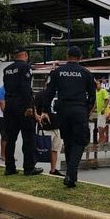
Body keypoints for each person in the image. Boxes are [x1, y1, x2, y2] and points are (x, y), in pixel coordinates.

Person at [41, 46, 96, 188]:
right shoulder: (86, 73)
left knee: (69, 141)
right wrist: (86, 111)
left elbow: (49, 93)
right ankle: (70, 174)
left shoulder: (57, 72)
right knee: (80, 141)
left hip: (63, 111)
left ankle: (72, 177)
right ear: (80, 58)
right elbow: (92, 97)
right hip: (79, 110)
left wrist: (45, 110)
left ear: (67, 56)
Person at [3, 47, 43, 176]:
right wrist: (30, 107)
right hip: (22, 106)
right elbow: (26, 89)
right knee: (28, 138)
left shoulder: (7, 69)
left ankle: (9, 167)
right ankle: (29, 167)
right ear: (25, 55)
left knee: (10, 138)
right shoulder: (25, 67)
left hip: (9, 106)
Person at [34, 78, 64, 176]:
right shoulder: (40, 95)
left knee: (55, 149)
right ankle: (31, 165)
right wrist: (38, 118)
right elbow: (35, 109)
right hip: (45, 127)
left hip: (56, 126)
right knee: (40, 148)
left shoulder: (59, 95)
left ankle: (53, 169)